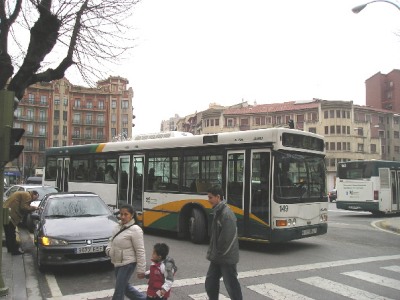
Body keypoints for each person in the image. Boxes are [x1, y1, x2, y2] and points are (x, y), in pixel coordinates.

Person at [205, 185, 242, 300]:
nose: (208, 200)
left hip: (226, 258)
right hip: (218, 257)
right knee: (210, 283)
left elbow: (227, 239)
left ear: (218, 197)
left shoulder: (226, 214)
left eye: (210, 197)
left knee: (231, 286)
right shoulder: (218, 211)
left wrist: (218, 253)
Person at [106, 204, 146, 300]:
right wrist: (109, 251)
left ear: (132, 215)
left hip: (128, 263)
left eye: (126, 214)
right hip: (117, 262)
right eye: (121, 214)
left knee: (119, 290)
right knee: (125, 287)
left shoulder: (135, 230)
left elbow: (140, 250)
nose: (123, 216)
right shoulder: (118, 227)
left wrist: (141, 270)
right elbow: (111, 241)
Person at [3, 190, 40, 255]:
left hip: (5, 211)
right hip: (11, 214)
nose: (34, 200)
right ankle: (14, 251)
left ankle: (10, 248)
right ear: (33, 194)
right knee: (11, 233)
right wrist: (34, 208)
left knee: (8, 233)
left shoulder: (24, 194)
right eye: (35, 198)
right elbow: (24, 207)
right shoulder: (28, 195)